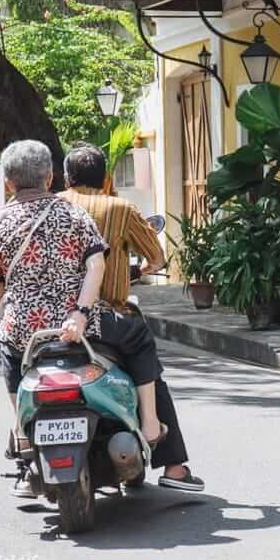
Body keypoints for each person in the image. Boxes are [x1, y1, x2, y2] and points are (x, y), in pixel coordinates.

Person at [0, 140, 201, 497]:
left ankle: (22, 436)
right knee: (140, 340)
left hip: (26, 330)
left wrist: (8, 315)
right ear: (50, 176)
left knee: (8, 354)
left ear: (8, 182)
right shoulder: (72, 214)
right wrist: (80, 312)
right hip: (80, 323)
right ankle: (151, 426)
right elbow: (96, 264)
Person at [60, 143, 204, 492]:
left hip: (52, 319)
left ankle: (21, 444)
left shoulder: (52, 207)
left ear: (65, 178)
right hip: (106, 317)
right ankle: (170, 461)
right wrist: (137, 269)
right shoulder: (121, 209)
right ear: (107, 179)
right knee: (147, 361)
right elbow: (156, 257)